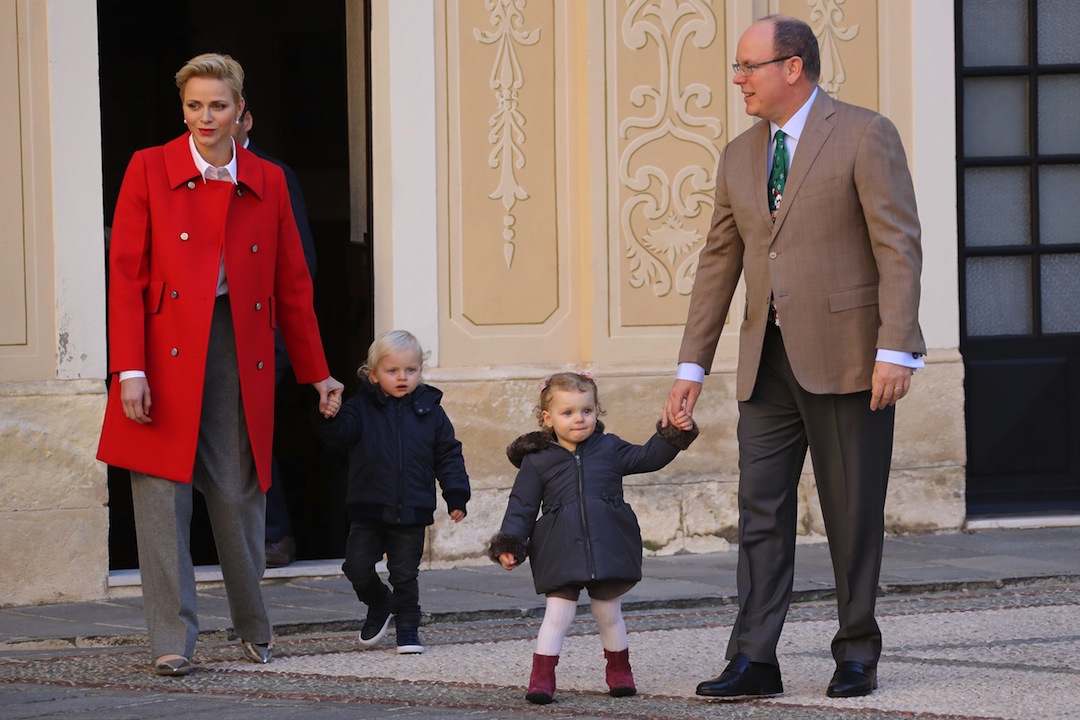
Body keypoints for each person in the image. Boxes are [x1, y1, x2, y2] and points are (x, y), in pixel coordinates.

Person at [662, 15, 925, 700]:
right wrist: (692, 366)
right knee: (760, 512)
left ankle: (857, 651)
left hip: (849, 358)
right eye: (737, 67)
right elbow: (720, 261)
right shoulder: (738, 155)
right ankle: (755, 657)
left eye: (749, 66)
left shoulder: (866, 135)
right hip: (765, 364)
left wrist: (896, 347)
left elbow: (898, 245)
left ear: (793, 67)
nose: (738, 80)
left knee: (852, 511)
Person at [96, 53, 345, 677]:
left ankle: (252, 624)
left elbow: (293, 285)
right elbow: (124, 275)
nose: (205, 117)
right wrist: (129, 368)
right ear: (183, 110)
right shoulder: (148, 168)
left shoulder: (268, 178)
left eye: (217, 105)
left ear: (240, 111)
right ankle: (172, 638)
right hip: (159, 348)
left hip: (238, 345)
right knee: (160, 496)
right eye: (194, 105)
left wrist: (318, 372)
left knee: (238, 490)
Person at [489, 372, 698, 704]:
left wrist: (675, 431)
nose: (578, 419)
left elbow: (648, 457)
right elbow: (522, 505)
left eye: (586, 411)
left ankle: (619, 672)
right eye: (567, 412)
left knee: (608, 612)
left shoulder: (609, 447)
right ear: (547, 418)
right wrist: (511, 543)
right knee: (558, 614)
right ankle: (541, 678)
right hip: (559, 545)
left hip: (607, 542)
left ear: (597, 410)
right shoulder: (537, 460)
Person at [312, 330, 470, 655]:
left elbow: (448, 454)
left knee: (405, 574)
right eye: (392, 371)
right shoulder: (360, 409)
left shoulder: (431, 412)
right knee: (355, 566)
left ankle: (408, 628)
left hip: (412, 508)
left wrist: (456, 494)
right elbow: (339, 435)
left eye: (410, 370)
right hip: (368, 507)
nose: (402, 377)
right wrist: (329, 416)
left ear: (419, 372)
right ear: (374, 375)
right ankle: (379, 601)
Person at [231, 98, 318, 568]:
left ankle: (275, 534)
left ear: (246, 118)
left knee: (248, 425)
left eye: (225, 110)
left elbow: (300, 262)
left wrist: (286, 340)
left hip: (267, 331)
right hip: (208, 330)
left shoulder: (273, 173)